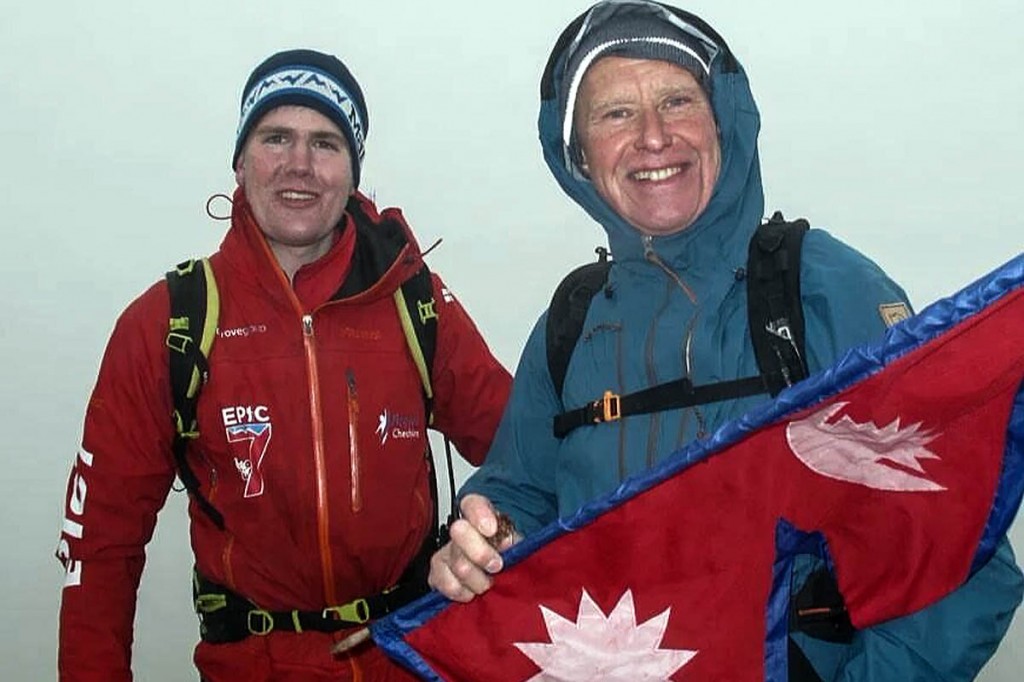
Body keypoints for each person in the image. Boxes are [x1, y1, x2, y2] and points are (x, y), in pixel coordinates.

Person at [428, 1, 1023, 679]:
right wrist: (487, 540)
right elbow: (521, 494)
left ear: (724, 123)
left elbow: (960, 560)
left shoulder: (824, 291)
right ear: (579, 158)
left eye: (678, 99)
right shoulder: (569, 323)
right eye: (615, 113)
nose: (654, 136)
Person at [56, 49, 511, 682]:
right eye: (276, 138)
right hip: (254, 665)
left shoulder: (415, 300)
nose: (299, 165)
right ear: (240, 162)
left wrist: (495, 528)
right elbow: (99, 548)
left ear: (353, 174)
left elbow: (526, 453)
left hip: (412, 655)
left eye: (325, 143)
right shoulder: (170, 321)